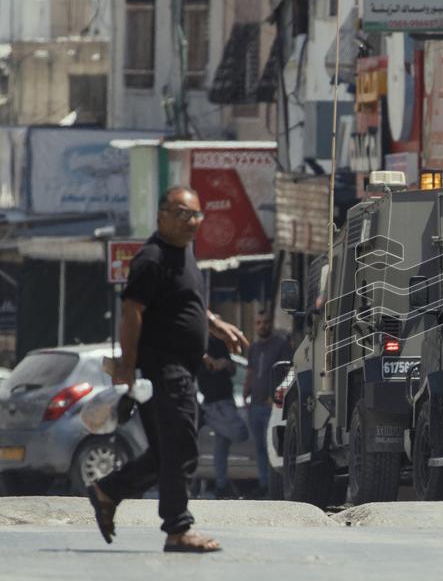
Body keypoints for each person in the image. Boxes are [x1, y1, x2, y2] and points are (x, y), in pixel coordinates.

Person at [86, 186, 248, 553]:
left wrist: (213, 327)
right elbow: (132, 312)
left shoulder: (183, 255)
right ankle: (177, 529)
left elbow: (182, 306)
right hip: (163, 371)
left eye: (196, 215)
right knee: (182, 448)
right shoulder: (152, 258)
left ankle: (107, 490)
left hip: (180, 366)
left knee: (166, 454)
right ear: (161, 216)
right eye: (181, 213)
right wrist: (127, 367)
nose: (190, 222)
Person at [243, 309, 292, 497]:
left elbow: (289, 371)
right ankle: (264, 485)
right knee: (260, 449)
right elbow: (250, 371)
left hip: (272, 406)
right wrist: (246, 393)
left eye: (265, 322)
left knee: (273, 447)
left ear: (270, 324)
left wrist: (276, 395)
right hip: (255, 406)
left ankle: (275, 488)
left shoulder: (280, 345)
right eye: (258, 322)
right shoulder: (254, 348)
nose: (262, 325)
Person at [197, 335, 247, 499]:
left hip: (226, 398)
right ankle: (208, 418)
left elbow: (232, 370)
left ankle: (222, 484)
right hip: (213, 402)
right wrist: (215, 365)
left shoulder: (219, 343)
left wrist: (226, 364)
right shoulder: (198, 344)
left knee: (221, 447)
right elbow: (205, 368)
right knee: (241, 432)